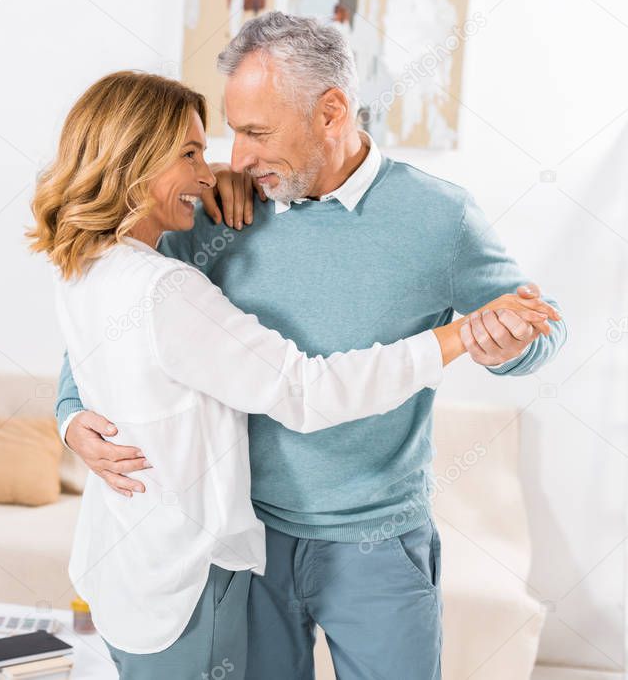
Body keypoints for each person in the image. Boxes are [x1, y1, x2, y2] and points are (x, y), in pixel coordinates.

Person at [29, 70, 559, 679]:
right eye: (218, 140)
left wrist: (503, 345)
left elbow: (539, 327)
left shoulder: (439, 215)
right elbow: (107, 342)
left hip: (374, 536)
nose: (235, 160)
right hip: (254, 539)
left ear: (330, 113)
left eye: (255, 132)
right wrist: (70, 415)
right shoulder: (204, 217)